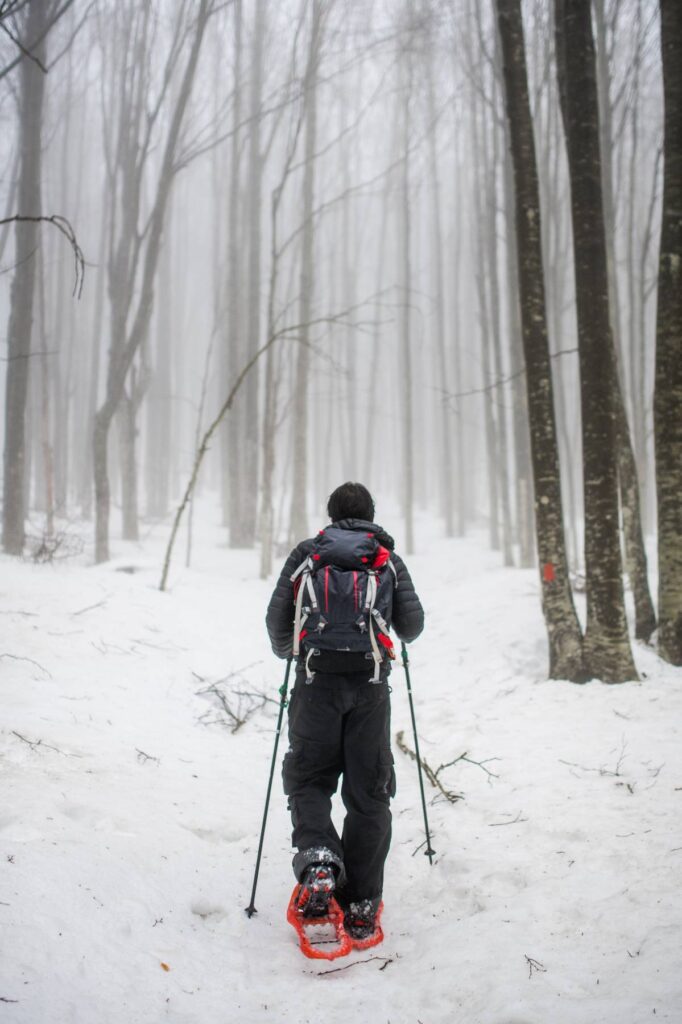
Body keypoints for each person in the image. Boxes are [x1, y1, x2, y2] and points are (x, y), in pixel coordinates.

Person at [265, 482, 424, 942]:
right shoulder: (386, 558)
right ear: (371, 514)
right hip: (370, 691)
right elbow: (411, 627)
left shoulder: (307, 554)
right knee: (369, 793)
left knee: (309, 778)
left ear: (331, 515)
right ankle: (361, 902)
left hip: (315, 686)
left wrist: (288, 653)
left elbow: (278, 622)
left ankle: (318, 862)